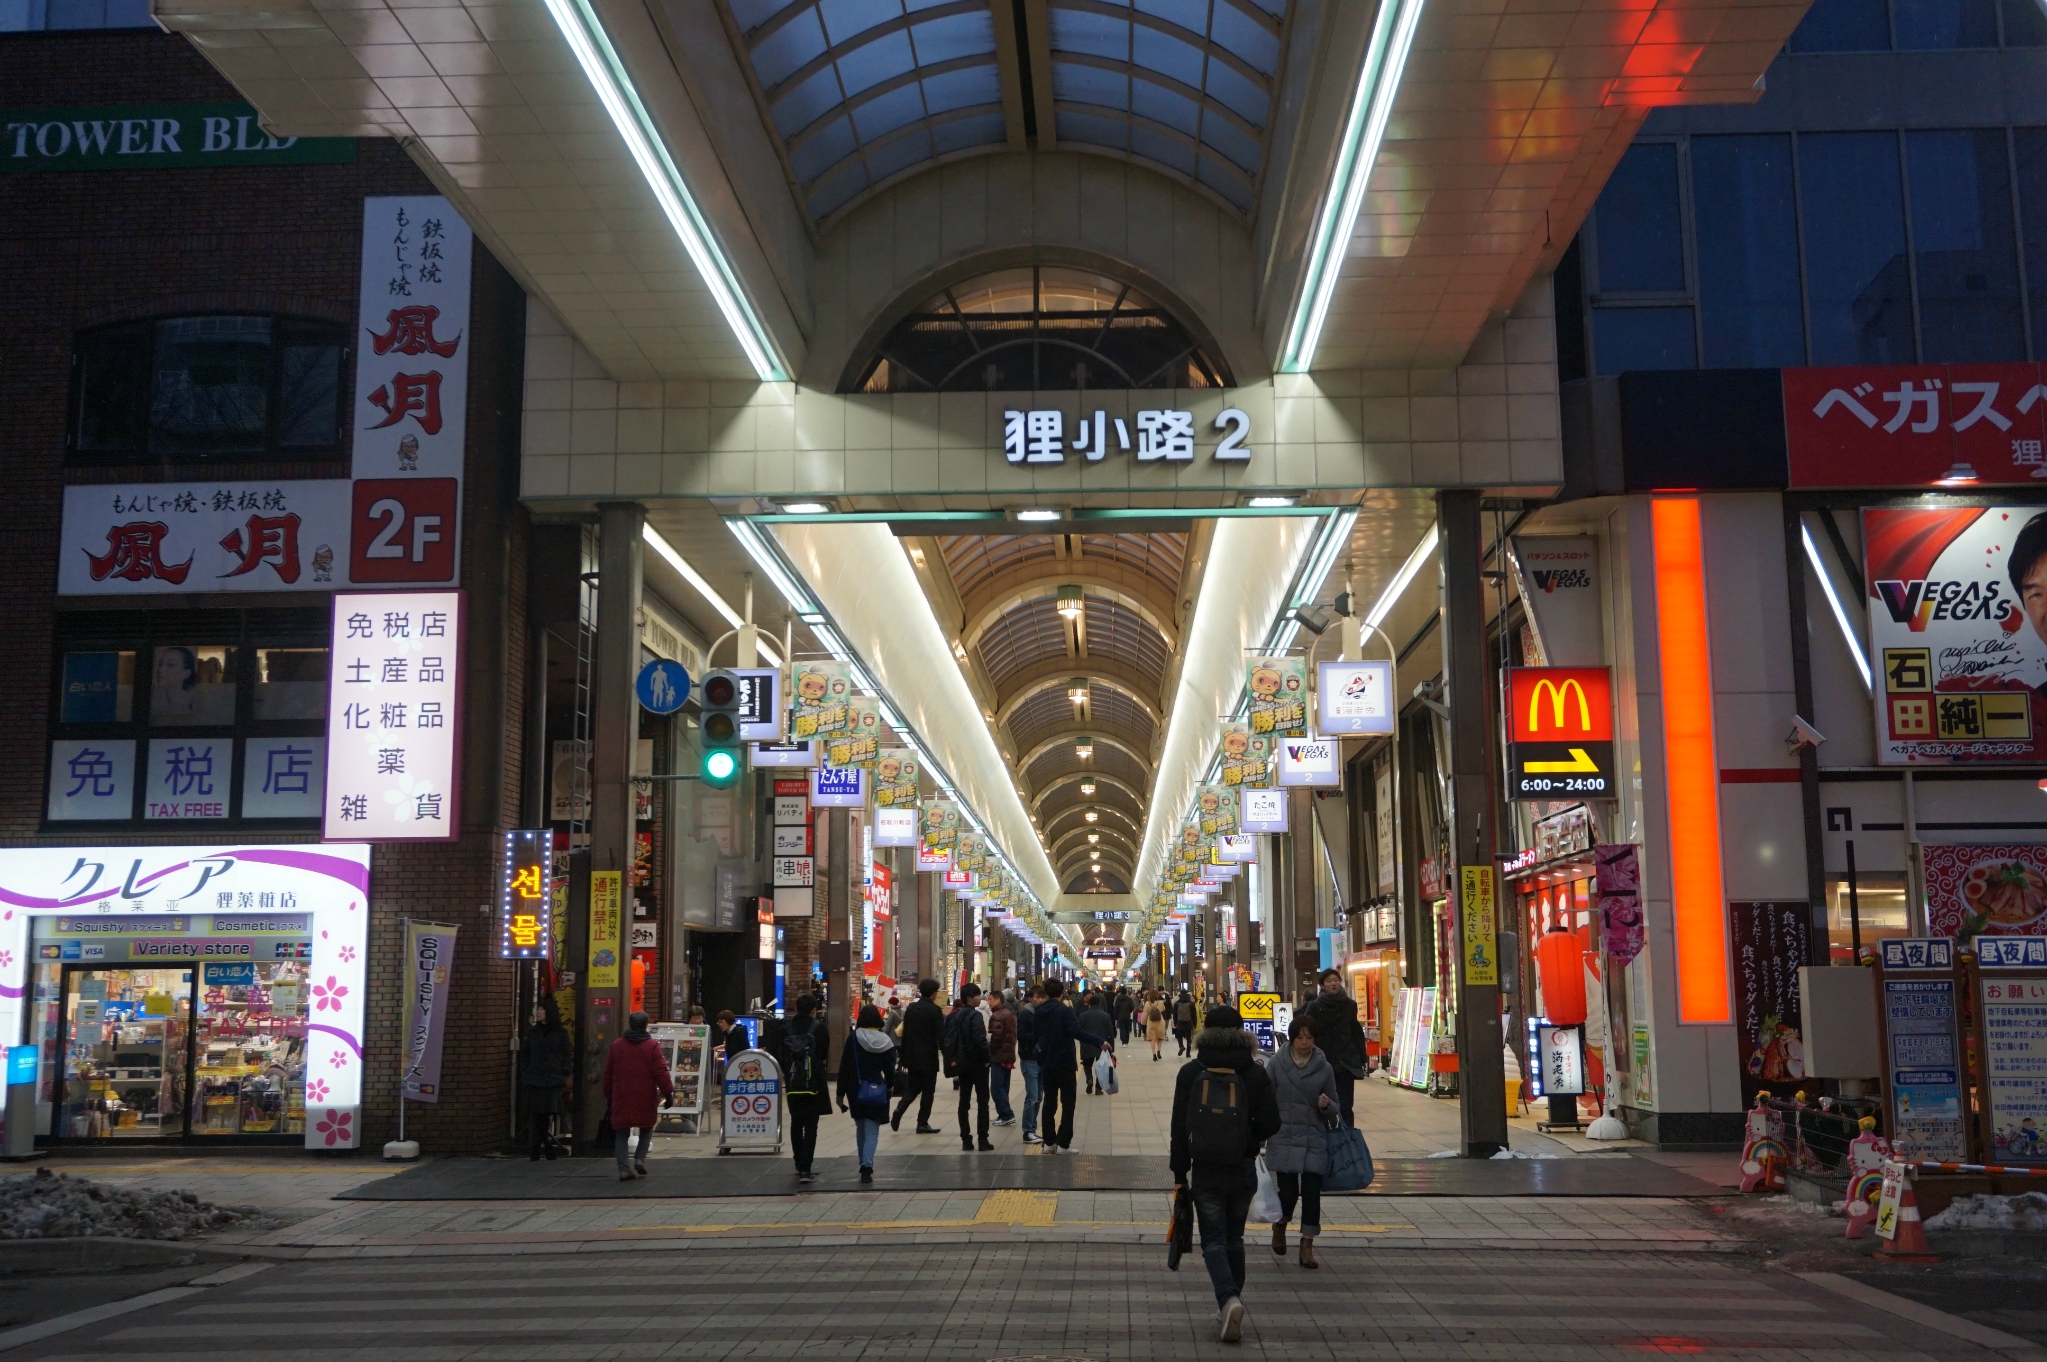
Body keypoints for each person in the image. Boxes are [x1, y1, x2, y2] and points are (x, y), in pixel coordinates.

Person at [1170, 1005, 1280, 1343]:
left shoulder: (1192, 1071)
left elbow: (1179, 1127)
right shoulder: (1254, 1073)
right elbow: (1271, 1122)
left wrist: (1179, 1172)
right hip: (1242, 1168)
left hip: (1205, 1169)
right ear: (1241, 1031)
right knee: (1234, 1238)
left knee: (1213, 1241)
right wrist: (1247, 1142)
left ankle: (1228, 1300)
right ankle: (1230, 1303)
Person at [1265, 1016, 1340, 1269]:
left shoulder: (1324, 1068)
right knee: (1287, 1194)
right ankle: (1280, 1224)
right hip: (1284, 1136)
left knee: (1311, 1195)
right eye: (1300, 1037)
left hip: (1312, 1138)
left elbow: (1336, 1106)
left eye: (1309, 1037)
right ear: (1292, 1038)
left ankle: (1307, 1245)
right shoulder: (1277, 1064)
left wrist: (1326, 1105)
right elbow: (1265, 1099)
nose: (1305, 1042)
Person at [601, 1009, 674, 1182]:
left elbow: (608, 1073)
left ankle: (623, 1169)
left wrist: (608, 1094)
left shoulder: (617, 1045)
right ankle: (640, 1158)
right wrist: (668, 1093)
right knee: (647, 1127)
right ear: (645, 1025)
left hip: (622, 1094)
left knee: (621, 1133)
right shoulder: (652, 1046)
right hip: (645, 1094)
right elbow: (661, 1071)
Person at [837, 1003, 898, 1184]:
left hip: (855, 1088)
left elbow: (844, 1066)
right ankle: (867, 1165)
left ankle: (862, 1162)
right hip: (876, 1088)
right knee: (872, 1130)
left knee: (861, 1127)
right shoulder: (886, 1041)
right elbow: (890, 1070)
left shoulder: (853, 1038)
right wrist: (890, 1087)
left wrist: (840, 1094)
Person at [1300, 968, 1367, 1126]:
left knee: (1345, 1105)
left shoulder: (1350, 1005)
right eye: (1329, 981)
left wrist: (1361, 1056)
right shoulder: (1315, 1006)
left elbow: (1355, 1031)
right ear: (1322, 985)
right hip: (1322, 1061)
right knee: (1323, 1104)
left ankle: (1347, 1136)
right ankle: (1325, 1133)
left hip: (1345, 1062)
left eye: (1336, 980)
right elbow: (1306, 1030)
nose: (1333, 984)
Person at [778, 994, 831, 1183]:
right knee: (810, 1125)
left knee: (796, 1122)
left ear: (796, 1009)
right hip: (813, 1082)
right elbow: (823, 1054)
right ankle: (806, 1169)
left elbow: (780, 1055)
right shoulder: (819, 1028)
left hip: (793, 1083)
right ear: (813, 1010)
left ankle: (798, 1161)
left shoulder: (785, 1029)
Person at [1031, 979, 1087, 1151]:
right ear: (1062, 992)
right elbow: (1076, 1032)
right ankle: (1063, 1143)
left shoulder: (1039, 1011)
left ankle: (1049, 1143)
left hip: (1047, 1063)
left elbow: (1035, 1035)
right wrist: (1099, 1042)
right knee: (1068, 1104)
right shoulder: (1065, 1011)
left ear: (1046, 992)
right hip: (1065, 1063)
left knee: (1049, 1102)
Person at [517, 995, 572, 1160]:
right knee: (536, 1114)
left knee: (545, 1114)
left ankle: (539, 1148)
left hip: (551, 1078)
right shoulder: (532, 1032)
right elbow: (525, 1054)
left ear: (549, 1012)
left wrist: (564, 1070)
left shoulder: (560, 1032)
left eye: (542, 1009)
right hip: (535, 1077)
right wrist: (525, 1071)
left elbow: (567, 1053)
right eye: (538, 1009)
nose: (539, 1012)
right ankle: (543, 1147)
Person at [892, 978, 945, 1133]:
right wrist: (948, 1055)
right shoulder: (935, 1010)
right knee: (928, 1091)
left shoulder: (911, 1008)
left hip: (912, 1056)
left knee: (912, 1088)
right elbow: (941, 1036)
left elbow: (906, 1033)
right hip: (929, 1057)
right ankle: (922, 1123)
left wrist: (904, 1056)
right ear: (933, 993)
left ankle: (899, 1109)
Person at [946, 982, 994, 1150]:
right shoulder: (976, 1015)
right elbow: (980, 1039)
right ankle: (983, 1140)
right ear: (969, 997)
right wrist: (987, 1058)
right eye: (977, 995)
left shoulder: (955, 1016)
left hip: (962, 1064)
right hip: (978, 1064)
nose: (980, 998)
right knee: (982, 1102)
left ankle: (966, 1140)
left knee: (964, 1102)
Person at [1017, 983, 1046, 1144]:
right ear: (1030, 998)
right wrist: (1039, 1036)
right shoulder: (1024, 1015)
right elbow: (1021, 1036)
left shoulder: (1042, 1014)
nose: (1040, 1000)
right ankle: (1027, 1131)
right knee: (1032, 1097)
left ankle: (1033, 1129)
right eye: (1037, 997)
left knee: (1039, 1097)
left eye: (1042, 997)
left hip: (1041, 1060)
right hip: (1029, 1060)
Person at [987, 989, 1018, 1127]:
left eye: (991, 999)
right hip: (1008, 1055)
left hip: (999, 1056)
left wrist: (989, 1052)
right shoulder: (1008, 1014)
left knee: (996, 1088)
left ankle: (1007, 1115)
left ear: (998, 1000)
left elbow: (995, 1037)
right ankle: (1003, 1115)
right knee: (1004, 1087)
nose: (988, 1002)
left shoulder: (997, 1016)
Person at [1079, 991, 1115, 1095]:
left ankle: (1089, 1079)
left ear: (1089, 1004)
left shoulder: (1082, 1016)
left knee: (1087, 1064)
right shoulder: (1106, 1016)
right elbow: (1110, 1033)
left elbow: (1079, 1031)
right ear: (1099, 1004)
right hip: (1102, 1045)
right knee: (1101, 1067)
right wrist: (1111, 1047)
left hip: (1087, 1044)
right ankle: (1098, 1088)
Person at [1172, 989, 1198, 1057]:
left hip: (1180, 1022)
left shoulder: (1177, 1003)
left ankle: (1181, 1046)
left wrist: (1175, 1022)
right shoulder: (1191, 1003)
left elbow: (1175, 1014)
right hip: (1189, 1023)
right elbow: (1194, 1015)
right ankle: (1188, 1053)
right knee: (1188, 1038)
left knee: (1179, 1036)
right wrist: (1194, 1023)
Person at [1145, 993, 1168, 1061]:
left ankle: (1154, 1054)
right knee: (1159, 1038)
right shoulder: (1160, 1002)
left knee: (1153, 1039)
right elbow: (1163, 1009)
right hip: (1160, 1021)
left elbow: (1145, 1013)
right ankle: (1159, 1051)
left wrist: (1143, 1023)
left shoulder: (1147, 1003)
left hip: (1151, 1022)